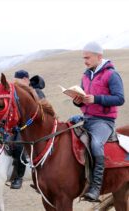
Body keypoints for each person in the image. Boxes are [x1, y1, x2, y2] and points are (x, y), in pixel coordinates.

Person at [73, 42, 125, 201]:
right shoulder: (85, 75)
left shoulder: (111, 74)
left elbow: (120, 98)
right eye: (84, 58)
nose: (85, 61)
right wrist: (78, 101)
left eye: (87, 57)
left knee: (96, 144)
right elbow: (84, 99)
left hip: (104, 121)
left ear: (99, 56)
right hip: (86, 118)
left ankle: (95, 187)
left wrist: (96, 99)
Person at [10, 70, 45, 189]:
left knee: (19, 146)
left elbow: (43, 111)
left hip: (34, 128)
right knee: (7, 143)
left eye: (17, 81)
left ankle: (19, 177)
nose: (15, 84)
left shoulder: (37, 92)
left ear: (25, 79)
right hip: (19, 127)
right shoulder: (16, 94)